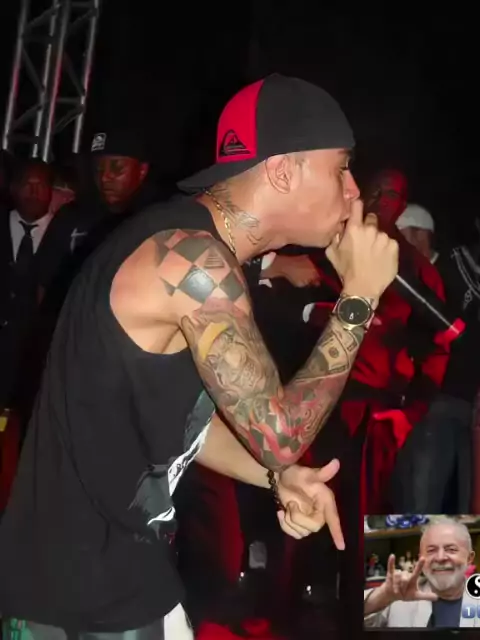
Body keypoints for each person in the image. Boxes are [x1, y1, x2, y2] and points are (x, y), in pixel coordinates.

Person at [0, 74, 398, 639]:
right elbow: (281, 433)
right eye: (341, 168)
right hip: (86, 603)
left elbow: (180, 422)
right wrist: (358, 298)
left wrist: (276, 476)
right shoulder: (192, 260)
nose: (355, 191)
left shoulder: (189, 245)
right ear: (283, 171)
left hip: (99, 584)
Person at [364, 517, 479, 629]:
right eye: (431, 550)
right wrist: (382, 595)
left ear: (469, 558)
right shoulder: (399, 596)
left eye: (451, 549)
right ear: (420, 559)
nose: (440, 558)